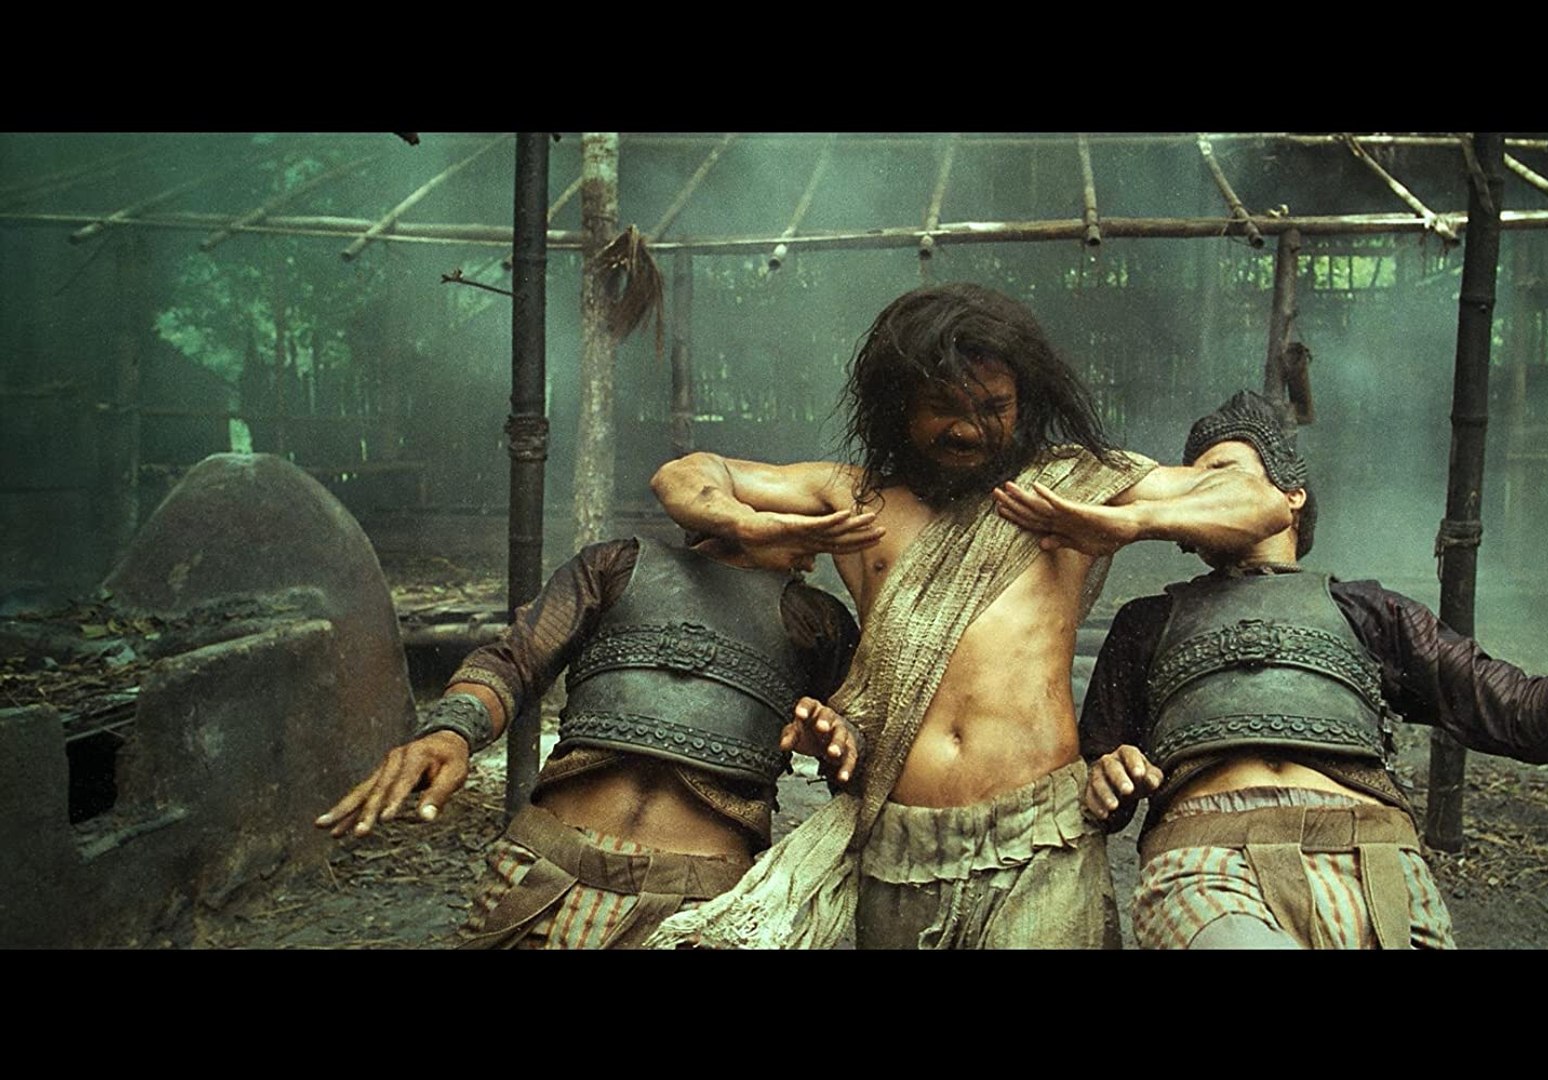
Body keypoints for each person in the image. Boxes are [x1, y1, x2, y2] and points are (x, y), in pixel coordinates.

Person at [644, 283, 1293, 949]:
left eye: (993, 407)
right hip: (899, 846)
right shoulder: (858, 497)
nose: (970, 428)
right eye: (943, 408)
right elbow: (688, 474)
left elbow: (1260, 503)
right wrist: (749, 524)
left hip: (1040, 841)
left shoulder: (1074, 488)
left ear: (1024, 403)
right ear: (899, 407)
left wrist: (1127, 523)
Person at [1077, 389, 1548, 948]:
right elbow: (1094, 791)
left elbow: (1523, 716)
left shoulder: (1369, 612)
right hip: (1209, 863)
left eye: (1222, 475)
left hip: (1377, 862)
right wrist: (1105, 776)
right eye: (1190, 483)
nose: (1199, 493)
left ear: (1290, 494)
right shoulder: (1147, 624)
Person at [314, 534, 862, 949]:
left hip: (698, 902)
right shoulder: (616, 565)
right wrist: (452, 730)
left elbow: (865, 766)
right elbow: (516, 660)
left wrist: (837, 745)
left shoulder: (819, 621)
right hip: (539, 871)